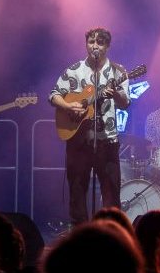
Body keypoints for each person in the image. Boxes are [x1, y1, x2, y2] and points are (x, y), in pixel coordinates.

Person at [49, 27, 131, 225]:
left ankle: (111, 238)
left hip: (107, 141)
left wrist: (116, 93)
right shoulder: (74, 70)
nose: (94, 46)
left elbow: (125, 102)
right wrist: (69, 106)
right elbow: (53, 95)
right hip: (79, 141)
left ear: (107, 47)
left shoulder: (118, 71)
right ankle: (80, 239)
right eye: (91, 42)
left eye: (100, 43)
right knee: (77, 194)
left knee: (111, 195)